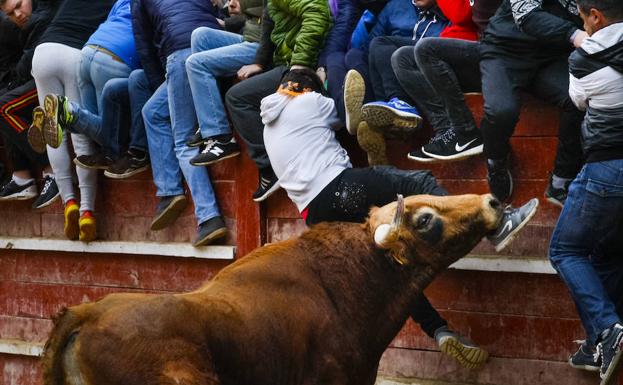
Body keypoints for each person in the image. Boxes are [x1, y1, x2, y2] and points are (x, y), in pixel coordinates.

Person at [261, 68, 539, 369]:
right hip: (340, 187)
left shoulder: (267, 126)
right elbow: (349, 115)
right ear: (307, 87)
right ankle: (493, 222)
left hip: (314, 214)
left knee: (394, 265)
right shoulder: (309, 101)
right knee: (417, 183)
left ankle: (438, 329)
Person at [548, 0, 623, 383]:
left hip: (608, 168)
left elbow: (577, 102)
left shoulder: (587, 57)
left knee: (564, 249)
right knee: (606, 255)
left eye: (582, 15)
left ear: (596, 15)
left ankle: (609, 329)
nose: (582, 23)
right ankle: (599, 342)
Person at [132, 0, 228, 246]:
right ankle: (169, 191)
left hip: (181, 53)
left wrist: (164, 86)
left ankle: (209, 218)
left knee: (183, 140)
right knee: (152, 112)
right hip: (213, 46)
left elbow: (144, 46)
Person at [475, 0, 585, 204]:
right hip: (506, 51)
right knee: (501, 111)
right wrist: (576, 35)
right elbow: (526, 14)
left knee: (579, 97)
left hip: (552, 56)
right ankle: (496, 160)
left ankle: (562, 179)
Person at [224, 0, 332, 202]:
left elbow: (317, 13)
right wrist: (259, 62)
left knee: (236, 97)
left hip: (296, 65)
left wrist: (299, 64)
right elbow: (269, 29)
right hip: (287, 62)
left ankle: (270, 169)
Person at [30, 0, 115, 242]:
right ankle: (87, 211)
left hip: (44, 52)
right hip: (75, 55)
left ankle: (69, 202)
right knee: (80, 133)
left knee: (52, 130)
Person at [38, 0, 149, 179]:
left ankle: (67, 118)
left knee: (99, 129)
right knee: (109, 131)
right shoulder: (154, 4)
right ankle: (69, 112)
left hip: (88, 51)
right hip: (115, 59)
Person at [392, 0, 501, 162]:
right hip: (478, 51)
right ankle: (447, 132)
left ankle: (466, 132)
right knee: (402, 57)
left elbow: (461, 15)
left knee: (425, 49)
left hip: (497, 54)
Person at [184, 0, 263, 166]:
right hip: (250, 38)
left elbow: (270, 16)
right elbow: (254, 16)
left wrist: (261, 62)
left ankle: (221, 138)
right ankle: (210, 121)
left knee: (195, 63)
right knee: (200, 35)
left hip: (264, 46)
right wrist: (226, 20)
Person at [0, 0, 59, 208]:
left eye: (19, 5)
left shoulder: (43, 14)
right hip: (32, 79)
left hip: (52, 77)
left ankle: (53, 169)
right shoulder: (20, 23)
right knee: (4, 101)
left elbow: (26, 66)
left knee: (3, 107)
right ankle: (21, 177)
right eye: (10, 13)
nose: (18, 14)